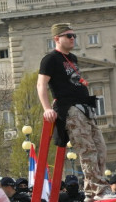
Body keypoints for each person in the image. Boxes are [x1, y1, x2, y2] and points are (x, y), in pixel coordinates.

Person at [37, 23, 109, 202]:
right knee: (88, 149)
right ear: (57, 39)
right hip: (69, 108)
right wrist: (47, 109)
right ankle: (99, 191)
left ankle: (91, 193)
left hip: (85, 108)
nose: (72, 39)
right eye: (68, 36)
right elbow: (41, 85)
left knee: (101, 148)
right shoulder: (50, 59)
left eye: (74, 36)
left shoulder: (73, 58)